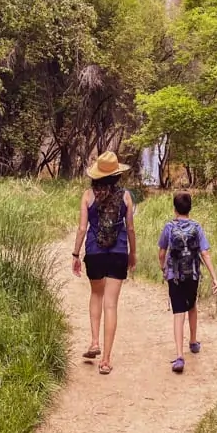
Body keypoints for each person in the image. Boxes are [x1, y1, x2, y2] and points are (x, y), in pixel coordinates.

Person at [71, 151, 136, 375]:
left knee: (96, 295)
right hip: (118, 252)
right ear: (117, 174)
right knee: (111, 304)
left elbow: (82, 228)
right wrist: (132, 254)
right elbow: (130, 229)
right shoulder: (126, 196)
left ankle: (94, 342)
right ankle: (106, 360)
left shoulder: (88, 195)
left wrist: (75, 254)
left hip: (94, 252)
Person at [158, 191, 217, 374]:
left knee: (178, 312)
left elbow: (162, 252)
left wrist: (163, 268)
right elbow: (205, 253)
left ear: (174, 209)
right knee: (192, 305)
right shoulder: (197, 227)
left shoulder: (169, 227)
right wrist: (214, 276)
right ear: (190, 208)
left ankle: (179, 356)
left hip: (174, 275)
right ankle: (193, 341)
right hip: (192, 274)